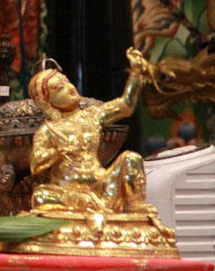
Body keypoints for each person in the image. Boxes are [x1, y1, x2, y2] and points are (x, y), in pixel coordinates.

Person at [27, 49, 154, 214]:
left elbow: (126, 105)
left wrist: (136, 73)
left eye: (67, 82)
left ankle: (136, 206)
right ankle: (86, 203)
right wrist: (58, 152)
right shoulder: (48, 130)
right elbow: (35, 164)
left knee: (131, 158)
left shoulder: (92, 115)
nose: (69, 88)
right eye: (59, 88)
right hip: (68, 192)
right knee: (40, 197)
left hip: (102, 187)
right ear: (46, 101)